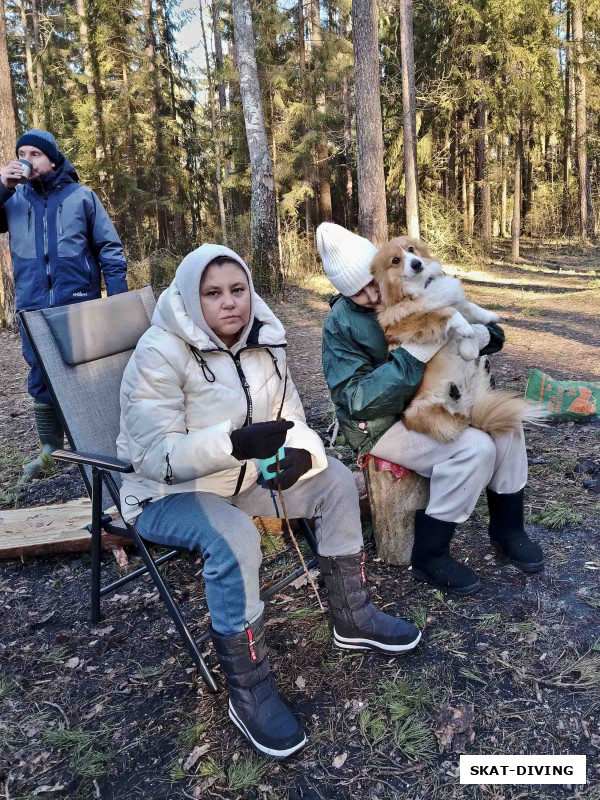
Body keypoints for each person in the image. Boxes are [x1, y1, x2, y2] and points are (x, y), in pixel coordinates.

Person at [117, 244, 422, 759]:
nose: (229, 303)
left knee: (339, 483)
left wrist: (302, 455)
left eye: (238, 290)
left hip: (245, 478)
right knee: (235, 539)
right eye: (213, 294)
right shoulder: (158, 352)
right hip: (169, 493)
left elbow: (290, 416)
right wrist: (233, 444)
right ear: (192, 298)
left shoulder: (266, 337)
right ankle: (249, 690)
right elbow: (151, 456)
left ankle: (354, 614)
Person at [318, 222, 544, 598]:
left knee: (507, 425)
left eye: (376, 281)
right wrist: (416, 355)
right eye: (360, 293)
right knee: (475, 449)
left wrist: (484, 336)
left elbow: (485, 329)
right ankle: (430, 553)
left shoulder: (416, 278)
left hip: (445, 395)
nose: (375, 295)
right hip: (381, 423)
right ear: (344, 293)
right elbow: (356, 398)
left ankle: (509, 530)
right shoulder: (340, 325)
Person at [0, 129, 127, 479]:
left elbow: (109, 250)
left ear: (52, 158)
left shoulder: (82, 197)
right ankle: (50, 453)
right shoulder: (12, 200)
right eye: (21, 153)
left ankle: (97, 446)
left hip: (78, 304)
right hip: (32, 306)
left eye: (35, 154)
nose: (27, 159)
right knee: (39, 374)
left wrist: (115, 300)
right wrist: (3, 186)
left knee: (86, 374)